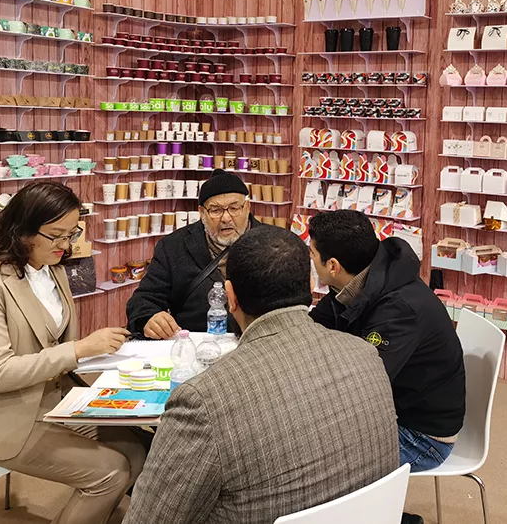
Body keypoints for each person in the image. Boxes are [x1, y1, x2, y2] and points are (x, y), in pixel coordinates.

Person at [124, 226, 399, 524]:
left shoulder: (204, 399)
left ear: (230, 297)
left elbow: (150, 518)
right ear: (310, 285)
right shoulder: (364, 354)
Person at [0, 183, 146, 524]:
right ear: (22, 230)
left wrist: (96, 356)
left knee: (138, 453)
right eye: (56, 236)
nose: (66, 245)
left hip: (58, 399)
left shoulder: (53, 268)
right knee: (110, 472)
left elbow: (54, 344)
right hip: (6, 415)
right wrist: (79, 349)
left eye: (71, 234)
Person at [308, 210, 466, 475]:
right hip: (392, 411)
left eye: (312, 254)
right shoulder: (358, 281)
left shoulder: (399, 309)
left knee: (310, 459)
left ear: (333, 266)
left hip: (421, 437)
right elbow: (315, 324)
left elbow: (365, 385)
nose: (310, 260)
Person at [126, 169, 262, 338]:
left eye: (234, 208)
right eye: (216, 210)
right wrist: (149, 318)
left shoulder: (275, 243)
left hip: (260, 342)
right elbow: (144, 299)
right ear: (202, 212)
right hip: (195, 344)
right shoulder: (173, 246)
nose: (226, 218)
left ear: (247, 207)